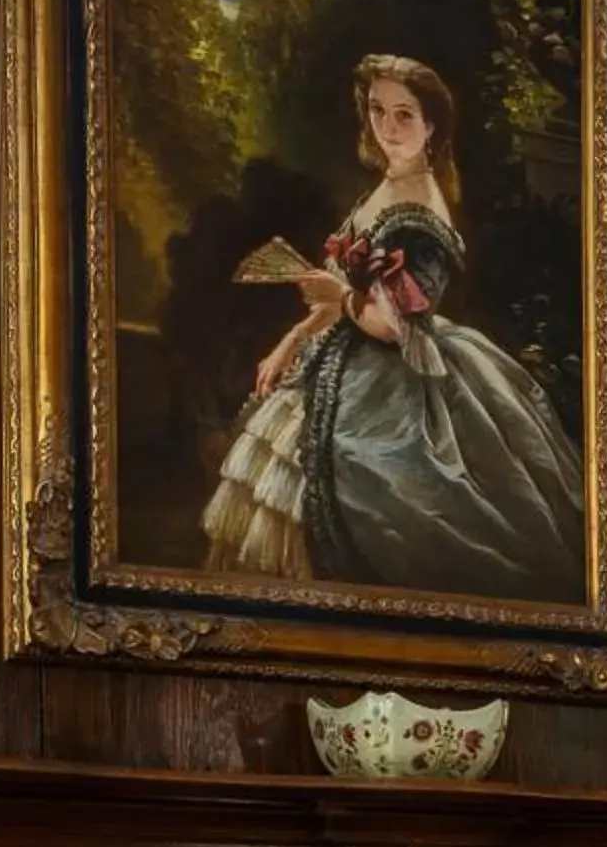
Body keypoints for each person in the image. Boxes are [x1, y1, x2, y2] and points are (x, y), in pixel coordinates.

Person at [203, 54, 584, 601]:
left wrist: (341, 296)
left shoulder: (422, 212)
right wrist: (291, 341)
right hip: (336, 359)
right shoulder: (383, 189)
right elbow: (345, 297)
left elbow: (392, 326)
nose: (388, 128)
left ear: (432, 126)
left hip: (392, 384)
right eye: (378, 111)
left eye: (405, 115)